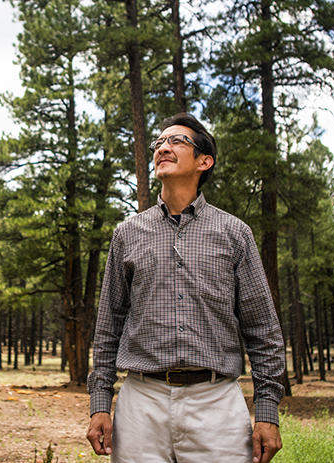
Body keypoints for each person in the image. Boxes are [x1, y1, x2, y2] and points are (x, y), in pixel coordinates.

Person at [86, 113, 286, 463]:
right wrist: (100, 405)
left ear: (204, 161)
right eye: (159, 143)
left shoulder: (234, 234)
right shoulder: (127, 233)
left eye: (177, 141)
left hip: (216, 405)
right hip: (140, 405)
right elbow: (108, 327)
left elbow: (263, 330)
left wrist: (267, 412)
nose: (163, 147)